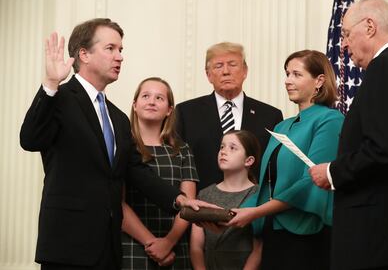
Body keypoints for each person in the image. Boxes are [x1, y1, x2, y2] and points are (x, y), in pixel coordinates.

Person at [19, 18, 213, 270]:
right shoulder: (60, 98)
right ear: (84, 55)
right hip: (67, 245)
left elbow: (137, 172)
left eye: (121, 50)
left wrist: (180, 200)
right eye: (110, 48)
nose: (119, 57)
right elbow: (30, 139)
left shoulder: (118, 117)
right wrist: (50, 84)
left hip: (109, 248)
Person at [309, 0, 388, 270]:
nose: (343, 44)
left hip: (373, 231)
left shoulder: (387, 67)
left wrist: (332, 172)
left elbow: (384, 148)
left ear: (369, 27)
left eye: (345, 34)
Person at [226, 50, 344, 270]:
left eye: (297, 74)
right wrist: (227, 214)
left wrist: (257, 212)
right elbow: (268, 185)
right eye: (287, 74)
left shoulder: (330, 120)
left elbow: (312, 181)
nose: (288, 81)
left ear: (319, 80)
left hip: (306, 233)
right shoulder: (282, 126)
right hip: (273, 231)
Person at [176, 42, 283, 190]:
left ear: (245, 71)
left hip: (254, 205)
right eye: (218, 66)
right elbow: (179, 164)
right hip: (201, 204)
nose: (226, 71)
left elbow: (275, 169)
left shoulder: (271, 115)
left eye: (232, 64)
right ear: (208, 75)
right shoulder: (186, 112)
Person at [121, 77, 198, 269]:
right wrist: (150, 242)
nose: (152, 101)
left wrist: (168, 242)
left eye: (159, 98)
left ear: (169, 109)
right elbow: (116, 202)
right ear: (135, 105)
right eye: (145, 96)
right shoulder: (121, 147)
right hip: (131, 244)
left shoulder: (182, 150)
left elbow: (188, 203)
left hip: (174, 246)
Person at [190, 130, 262, 270]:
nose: (223, 152)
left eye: (232, 148)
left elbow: (258, 248)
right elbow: (196, 247)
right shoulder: (205, 195)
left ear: (249, 160)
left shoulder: (258, 195)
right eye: (222, 147)